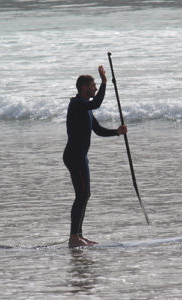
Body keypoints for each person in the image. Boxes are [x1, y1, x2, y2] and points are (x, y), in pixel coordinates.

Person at [63, 66, 127, 248]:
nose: (96, 88)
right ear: (83, 87)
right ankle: (74, 237)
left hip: (80, 156)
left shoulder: (86, 108)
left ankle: (78, 235)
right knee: (81, 195)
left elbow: (97, 130)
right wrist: (106, 82)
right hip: (74, 156)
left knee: (85, 194)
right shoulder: (77, 104)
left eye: (97, 85)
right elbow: (97, 103)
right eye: (93, 86)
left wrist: (117, 132)